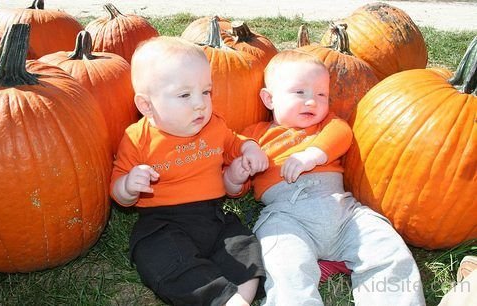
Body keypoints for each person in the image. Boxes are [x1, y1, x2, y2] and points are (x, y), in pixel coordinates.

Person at [223, 50, 426, 306]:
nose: (312, 102)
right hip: (287, 217)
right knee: (285, 265)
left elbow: (342, 133)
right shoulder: (255, 136)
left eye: (321, 95)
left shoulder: (327, 125)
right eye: (300, 93)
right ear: (269, 99)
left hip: (343, 212)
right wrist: (235, 175)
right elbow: (233, 189)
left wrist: (313, 155)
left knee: (387, 249)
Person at [110, 36, 268, 306]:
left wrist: (251, 149)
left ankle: (240, 298)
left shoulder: (214, 126)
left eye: (206, 92)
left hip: (213, 217)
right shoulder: (138, 139)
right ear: (146, 105)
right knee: (161, 257)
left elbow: (235, 142)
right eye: (185, 95)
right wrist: (127, 185)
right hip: (162, 222)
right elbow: (118, 194)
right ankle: (220, 298)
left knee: (244, 246)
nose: (200, 104)